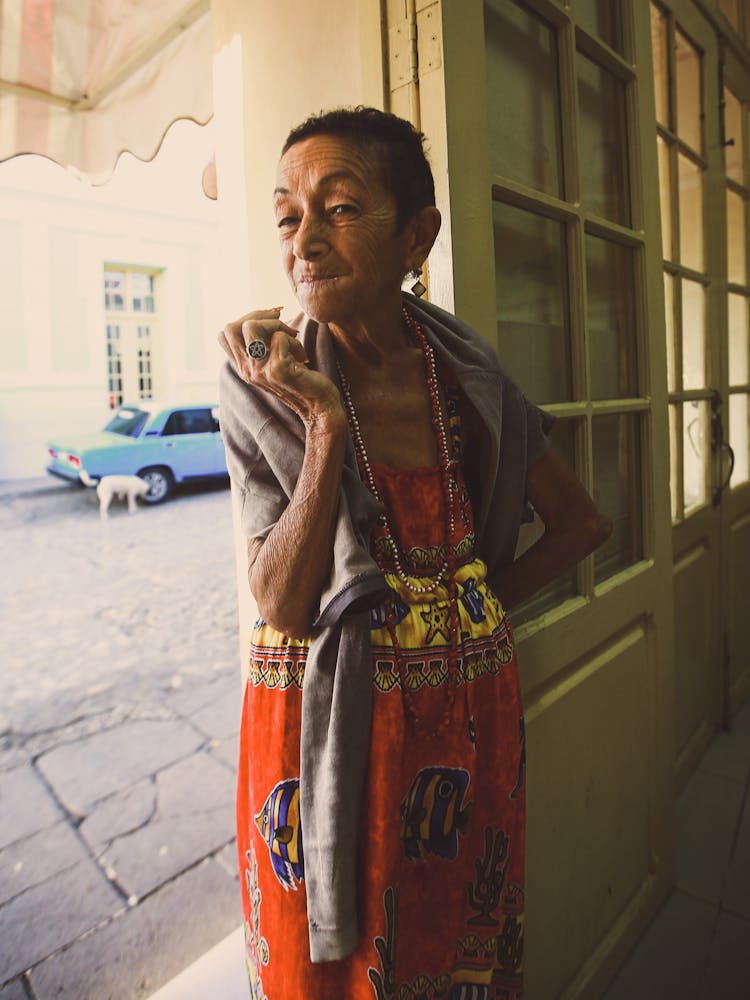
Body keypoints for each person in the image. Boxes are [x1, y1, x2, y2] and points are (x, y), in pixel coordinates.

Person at [218, 106, 612, 1000]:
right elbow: (281, 602)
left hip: (461, 730)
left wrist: (465, 612)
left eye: (341, 208)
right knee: (326, 970)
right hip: (318, 730)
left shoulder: (468, 379)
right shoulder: (264, 383)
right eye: (289, 216)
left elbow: (585, 526)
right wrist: (321, 425)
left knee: (450, 946)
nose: (304, 243)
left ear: (417, 236)